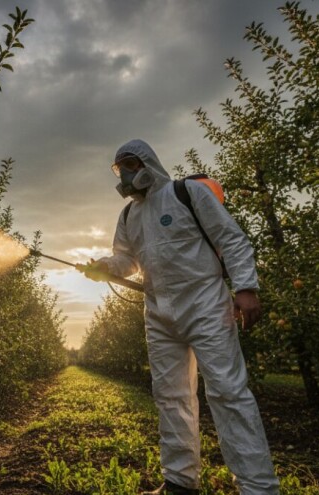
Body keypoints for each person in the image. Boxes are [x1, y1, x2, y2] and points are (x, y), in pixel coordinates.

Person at [81, 139, 280, 495]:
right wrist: (105, 267)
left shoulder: (186, 193)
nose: (125, 173)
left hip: (206, 305)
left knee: (228, 394)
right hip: (159, 313)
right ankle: (180, 482)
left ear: (147, 162)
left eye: (130, 163)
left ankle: (258, 488)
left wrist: (246, 288)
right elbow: (128, 260)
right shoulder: (129, 215)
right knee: (170, 397)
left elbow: (231, 238)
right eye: (118, 168)